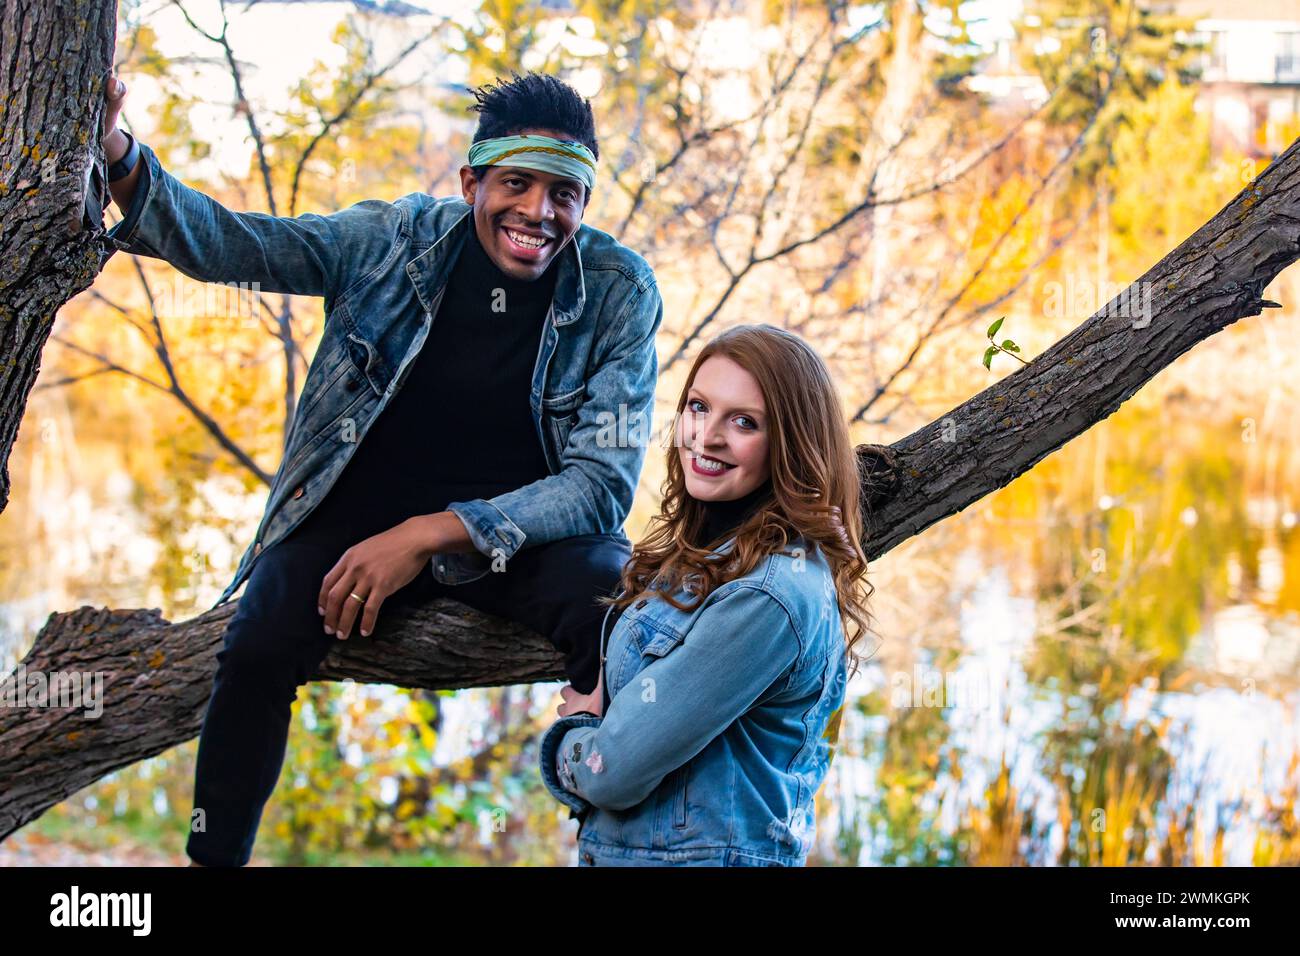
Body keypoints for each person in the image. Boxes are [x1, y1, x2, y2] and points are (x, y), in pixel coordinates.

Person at [96, 70, 662, 867]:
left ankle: (621, 845)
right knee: (256, 646)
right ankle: (212, 857)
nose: (539, 212)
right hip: (351, 524)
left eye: (564, 192)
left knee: (624, 605)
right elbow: (235, 246)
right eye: (517, 183)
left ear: (585, 202)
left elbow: (602, 485)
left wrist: (432, 534)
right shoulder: (390, 243)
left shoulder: (619, 291)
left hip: (515, 538)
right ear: (472, 181)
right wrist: (116, 149)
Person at [538, 324, 874, 866]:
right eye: (698, 407)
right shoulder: (710, 555)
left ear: (791, 442)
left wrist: (574, 735)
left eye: (744, 422)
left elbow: (612, 772)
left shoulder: (769, 595)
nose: (707, 436)